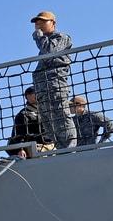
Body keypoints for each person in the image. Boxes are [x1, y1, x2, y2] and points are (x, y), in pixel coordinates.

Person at [30, 11, 76, 149]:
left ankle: (70, 148)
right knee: (48, 121)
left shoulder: (61, 37)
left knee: (61, 117)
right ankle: (60, 148)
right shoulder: (43, 42)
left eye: (43, 22)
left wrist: (38, 37)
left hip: (55, 87)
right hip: (42, 90)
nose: (38, 25)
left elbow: (49, 51)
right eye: (37, 23)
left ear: (53, 23)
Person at [7, 87, 45, 157]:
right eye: (30, 94)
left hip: (49, 144)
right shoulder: (23, 114)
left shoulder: (46, 112)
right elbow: (18, 134)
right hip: (34, 146)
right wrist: (20, 149)